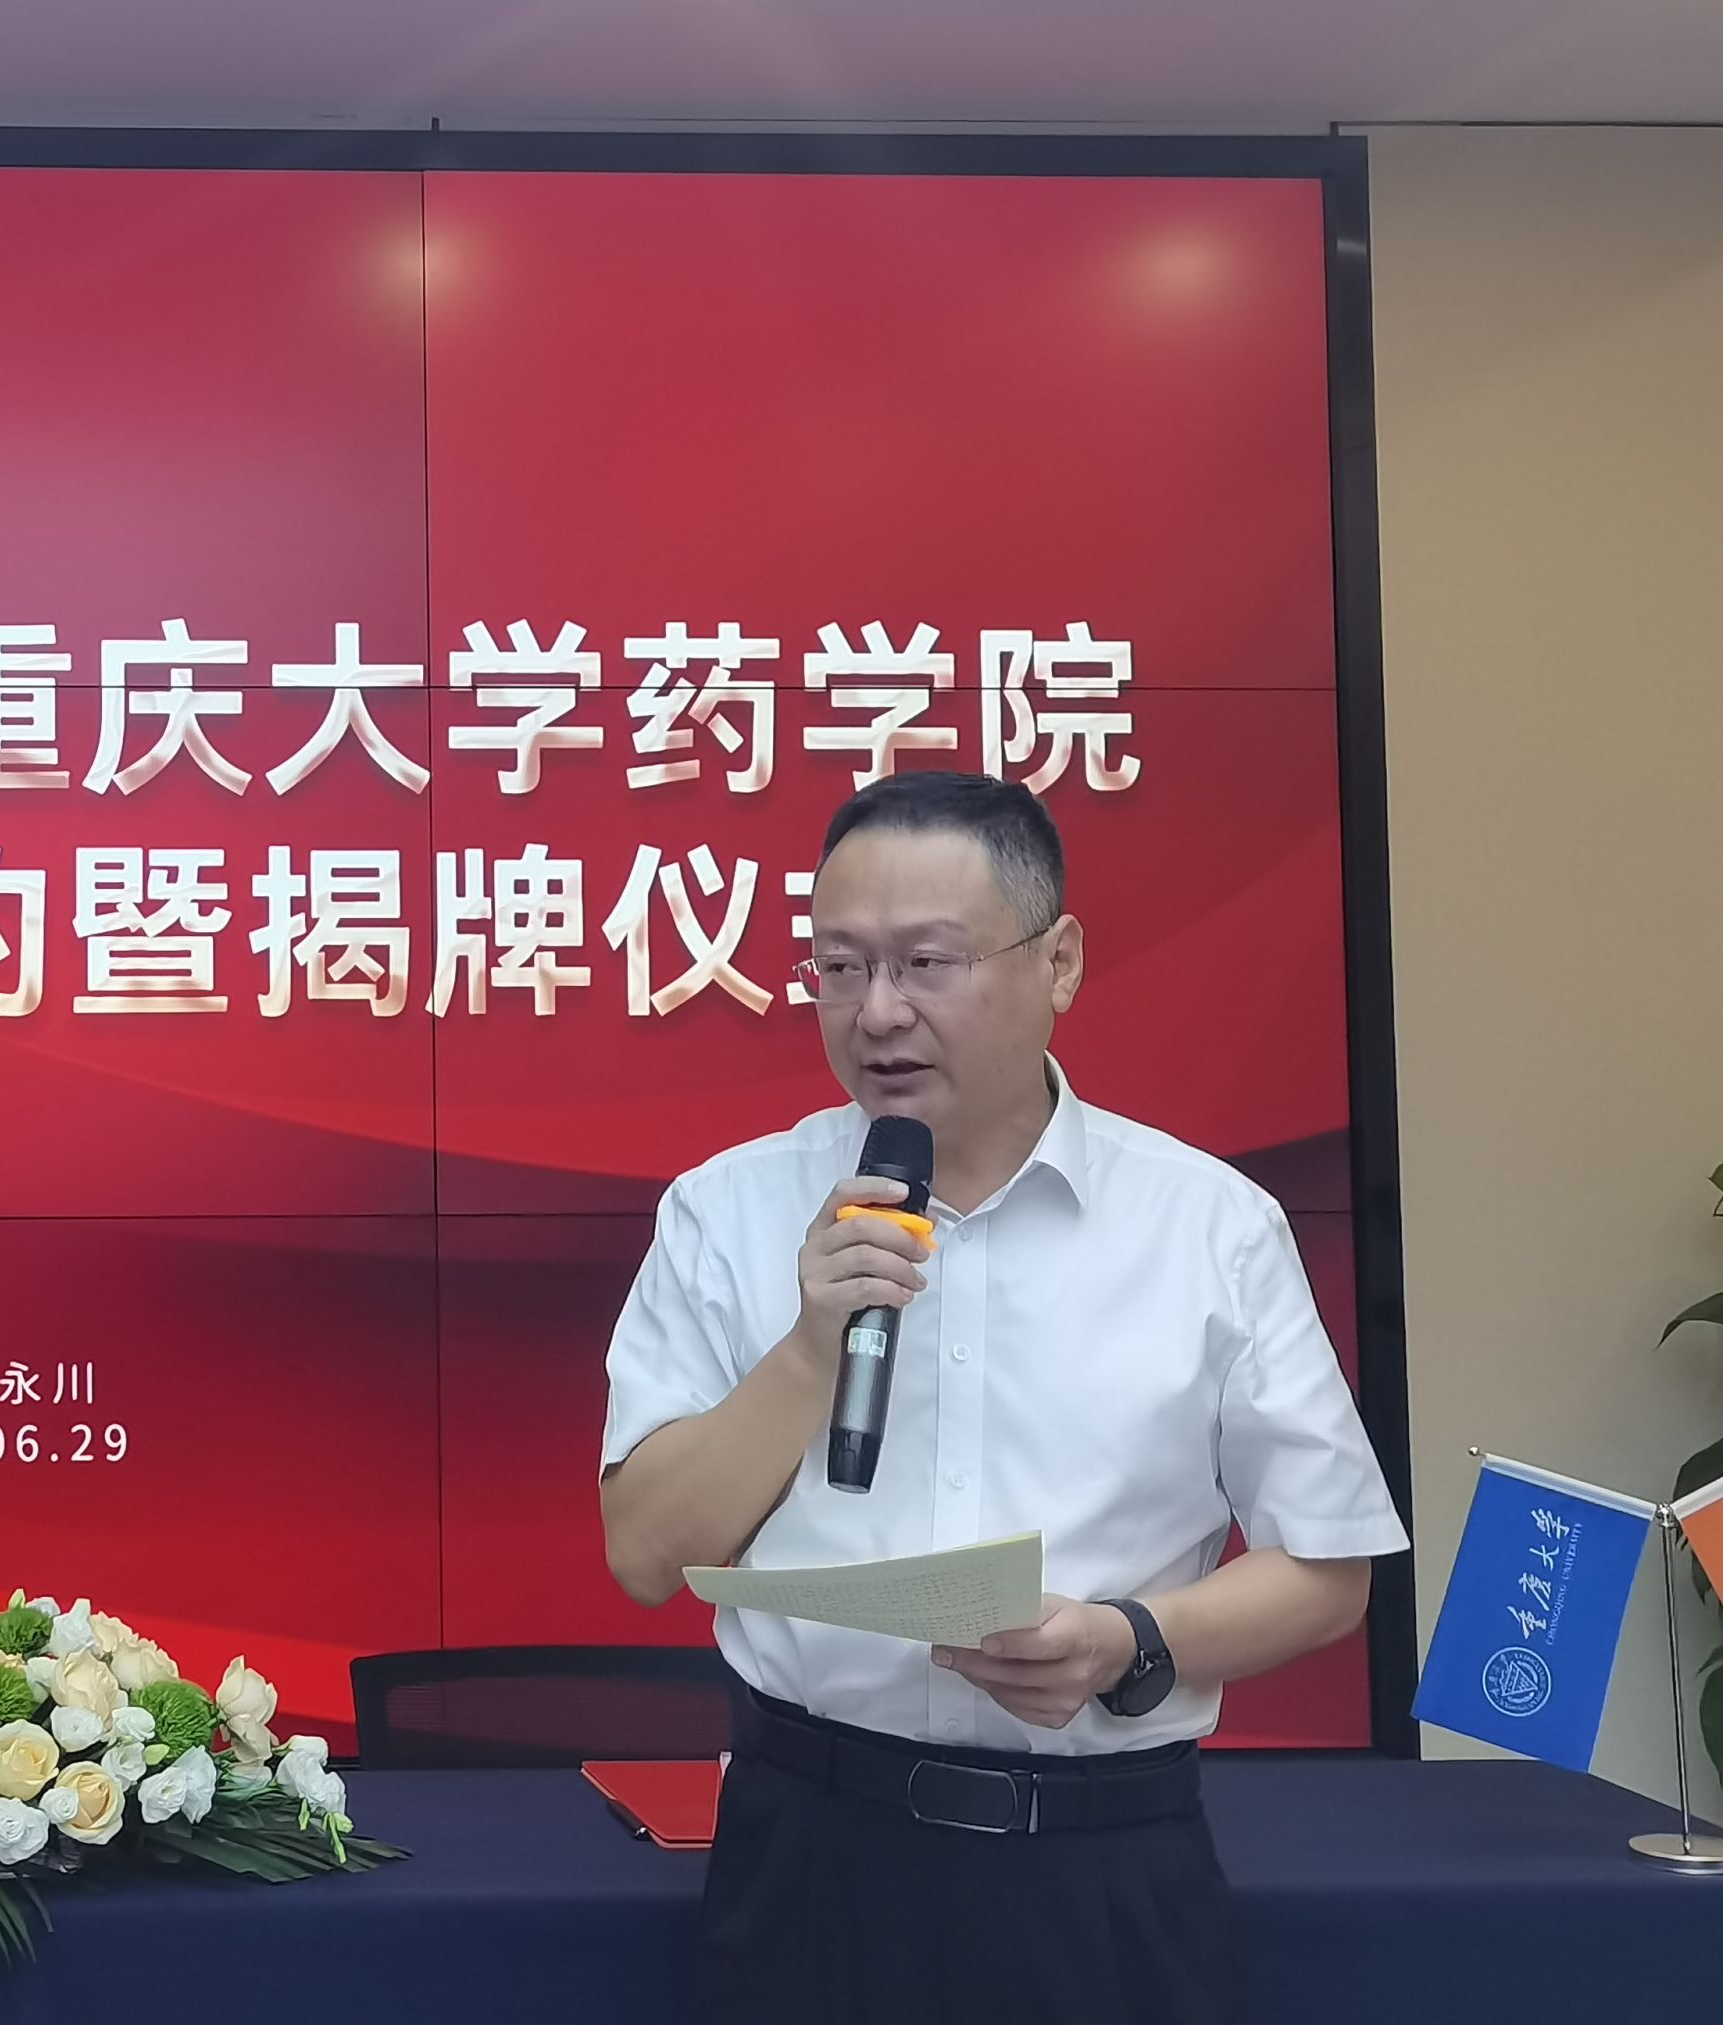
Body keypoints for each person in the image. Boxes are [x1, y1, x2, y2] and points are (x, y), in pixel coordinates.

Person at [598, 770, 1405, 2025]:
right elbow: (646, 1554)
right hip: (812, 1864)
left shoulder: (1209, 1228)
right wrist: (810, 1346)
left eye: (927, 962)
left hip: (1101, 1873)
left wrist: (1130, 1641)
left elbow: (1329, 1571)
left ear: (1059, 961)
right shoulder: (726, 1210)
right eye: (839, 967)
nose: (878, 1012)